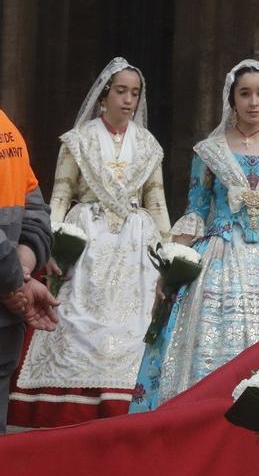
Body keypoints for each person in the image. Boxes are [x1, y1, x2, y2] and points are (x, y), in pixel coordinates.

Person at [134, 59, 259, 410]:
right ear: (232, 99)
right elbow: (196, 210)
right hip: (221, 253)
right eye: (245, 94)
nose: (254, 102)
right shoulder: (209, 151)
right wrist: (173, 264)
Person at [8, 60, 168, 426]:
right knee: (78, 315)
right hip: (88, 239)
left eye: (135, 93)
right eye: (121, 91)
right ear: (104, 95)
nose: (128, 100)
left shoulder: (148, 145)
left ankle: (129, 394)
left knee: (134, 323)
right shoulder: (78, 141)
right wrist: (51, 245)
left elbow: (156, 202)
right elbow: (60, 197)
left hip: (135, 243)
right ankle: (66, 399)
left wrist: (169, 253)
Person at [0, 106, 57, 408]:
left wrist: (14, 279)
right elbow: (36, 212)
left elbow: (33, 211)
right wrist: (20, 274)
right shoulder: (7, 129)